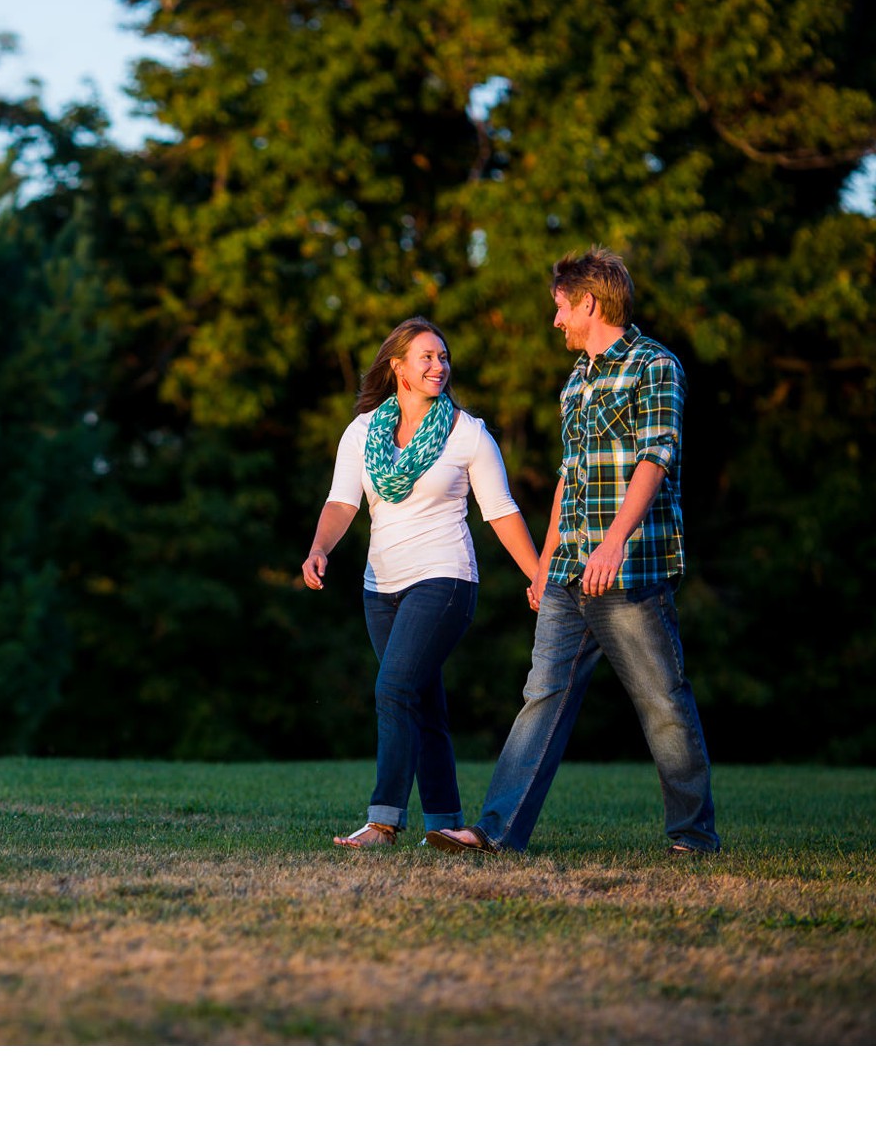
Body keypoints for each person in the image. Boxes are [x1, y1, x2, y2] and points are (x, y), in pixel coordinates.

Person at [427, 246, 721, 857]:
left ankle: (693, 835)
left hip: (628, 567)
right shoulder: (576, 382)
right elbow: (570, 476)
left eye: (561, 308)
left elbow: (656, 457)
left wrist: (614, 541)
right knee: (542, 696)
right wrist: (544, 562)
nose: (556, 320)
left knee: (662, 700)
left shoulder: (654, 366)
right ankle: (498, 832)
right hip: (567, 572)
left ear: (588, 302)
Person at [303, 317, 541, 849]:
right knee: (421, 701)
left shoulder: (466, 433)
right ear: (398, 368)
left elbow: (500, 511)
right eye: (426, 357)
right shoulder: (363, 431)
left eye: (443, 357)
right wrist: (320, 548)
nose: (439, 366)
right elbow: (343, 502)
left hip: (445, 581)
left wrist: (538, 574)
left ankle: (384, 822)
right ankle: (444, 824)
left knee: (392, 688)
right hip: (379, 589)